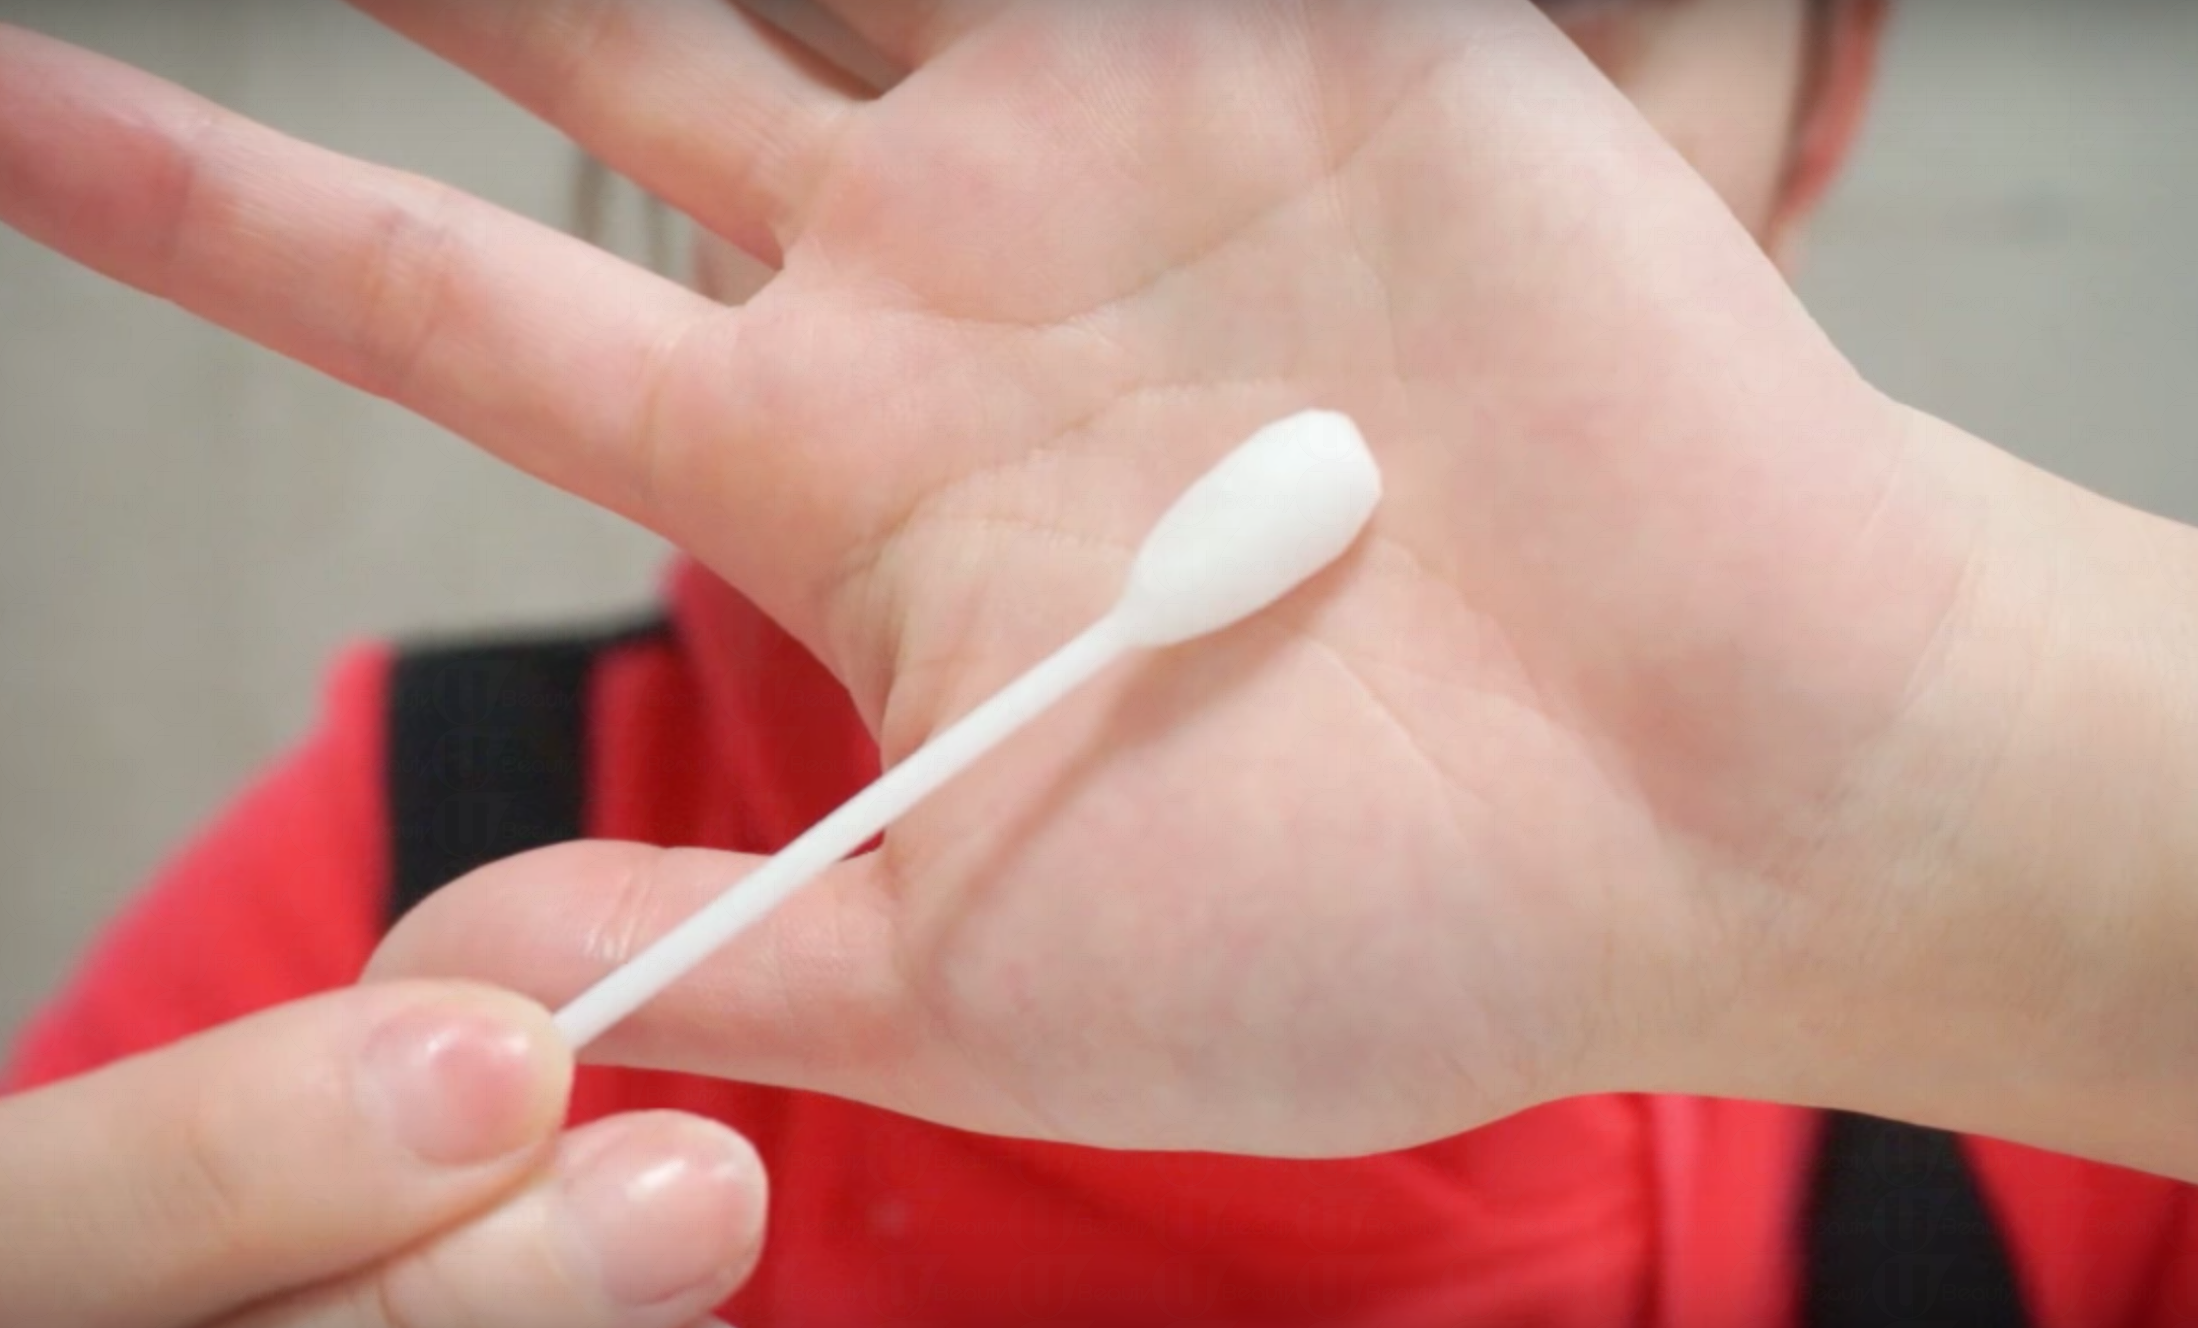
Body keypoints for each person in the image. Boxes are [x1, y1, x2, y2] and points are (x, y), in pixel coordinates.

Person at [6, 1, 2198, 1325]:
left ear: (1820, 114)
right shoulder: (372, 943)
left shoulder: (2079, 1121)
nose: (1213, 121)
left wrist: (1947, 772)